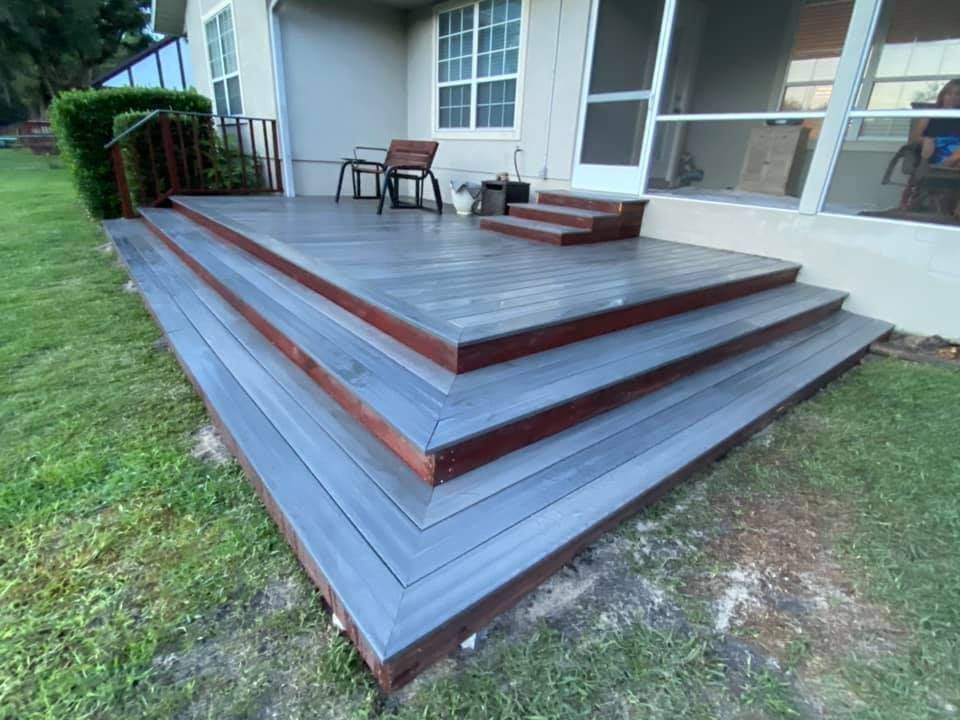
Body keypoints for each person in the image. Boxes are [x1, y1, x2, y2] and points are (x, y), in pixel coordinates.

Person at [910, 79, 960, 168]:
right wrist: (926, 140)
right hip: (936, 151)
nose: (953, 97)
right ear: (943, 95)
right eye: (949, 94)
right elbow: (914, 138)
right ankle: (945, 165)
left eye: (958, 94)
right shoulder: (930, 114)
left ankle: (947, 164)